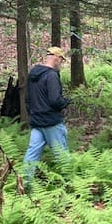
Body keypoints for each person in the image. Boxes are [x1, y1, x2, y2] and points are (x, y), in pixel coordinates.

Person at [23, 46, 71, 191]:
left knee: (32, 154)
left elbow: (27, 98)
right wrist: (66, 102)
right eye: (61, 60)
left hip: (36, 121)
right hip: (51, 122)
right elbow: (55, 100)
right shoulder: (51, 75)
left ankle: (25, 184)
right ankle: (70, 185)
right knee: (61, 154)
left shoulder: (33, 74)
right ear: (56, 57)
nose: (61, 63)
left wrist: (32, 114)